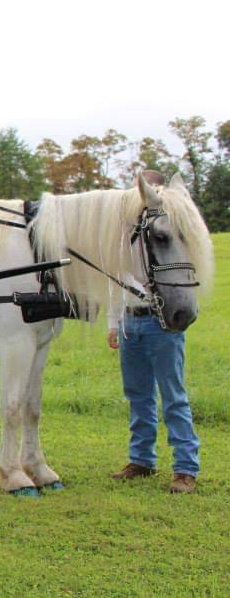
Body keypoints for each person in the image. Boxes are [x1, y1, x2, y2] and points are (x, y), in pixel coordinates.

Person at [107, 173, 199, 494]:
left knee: (173, 396)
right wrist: (113, 323)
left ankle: (186, 467)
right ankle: (141, 460)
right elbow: (116, 281)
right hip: (130, 322)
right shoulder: (128, 236)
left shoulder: (165, 228)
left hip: (160, 321)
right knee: (138, 396)